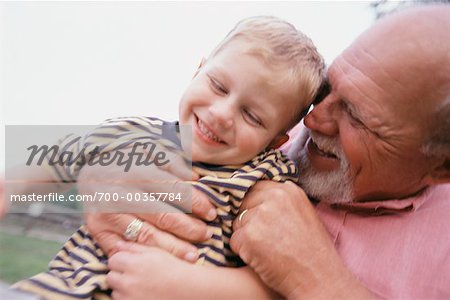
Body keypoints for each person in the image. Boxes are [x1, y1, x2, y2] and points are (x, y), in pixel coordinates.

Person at [78, 5, 450, 299]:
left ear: (441, 165)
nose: (315, 119)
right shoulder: (265, 132)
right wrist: (100, 183)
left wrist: (318, 282)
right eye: (326, 90)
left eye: (357, 117)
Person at [11, 16, 325, 299]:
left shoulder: (264, 178)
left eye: (252, 115)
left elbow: (282, 277)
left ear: (275, 141)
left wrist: (189, 284)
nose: (221, 114)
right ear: (198, 70)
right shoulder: (136, 133)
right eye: (217, 85)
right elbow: (56, 160)